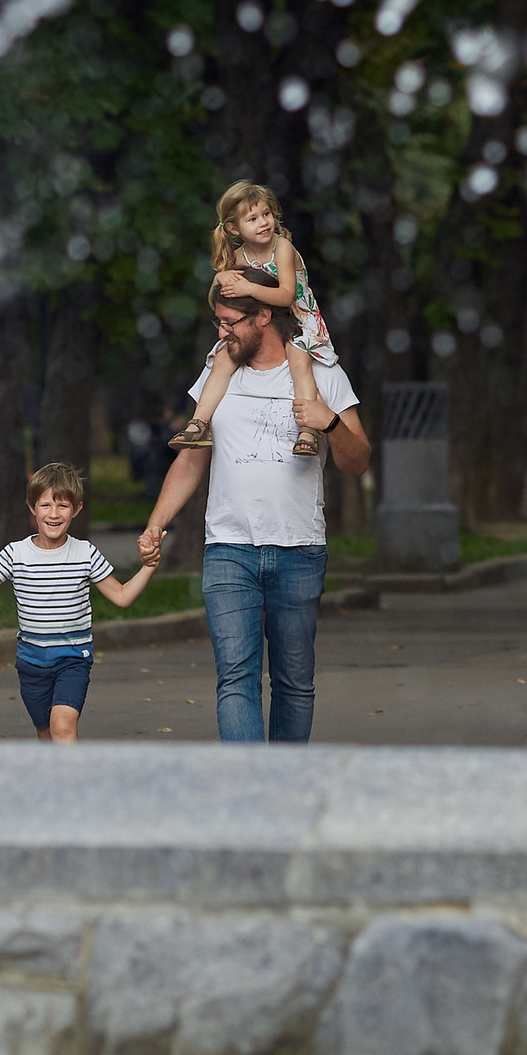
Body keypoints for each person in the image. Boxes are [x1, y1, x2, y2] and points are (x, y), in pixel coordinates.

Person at [141, 273, 371, 743]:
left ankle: (283, 780)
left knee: (294, 682)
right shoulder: (217, 374)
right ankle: (251, 781)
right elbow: (192, 460)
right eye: (218, 321)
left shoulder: (321, 373)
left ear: (264, 315)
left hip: (299, 549)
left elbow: (357, 462)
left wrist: (329, 424)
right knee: (235, 677)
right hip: (229, 549)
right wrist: (156, 524)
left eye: (231, 322)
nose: (222, 331)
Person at [0, 462, 162, 742]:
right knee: (46, 733)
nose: (53, 514)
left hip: (73, 660)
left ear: (76, 509)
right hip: (31, 663)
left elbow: (122, 596)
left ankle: (70, 773)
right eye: (45, 505)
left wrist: (149, 566)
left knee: (62, 725)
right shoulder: (15, 554)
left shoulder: (85, 553)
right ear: (32, 507)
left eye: (63, 506)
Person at [169, 181, 340, 458]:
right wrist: (219, 278)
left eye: (266, 214)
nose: (263, 222)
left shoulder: (281, 247)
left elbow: (286, 295)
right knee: (223, 358)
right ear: (234, 228)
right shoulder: (238, 258)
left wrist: (248, 288)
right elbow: (217, 302)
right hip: (265, 324)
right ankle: (199, 423)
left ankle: (307, 429)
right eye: (253, 219)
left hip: (297, 321)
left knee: (298, 359)